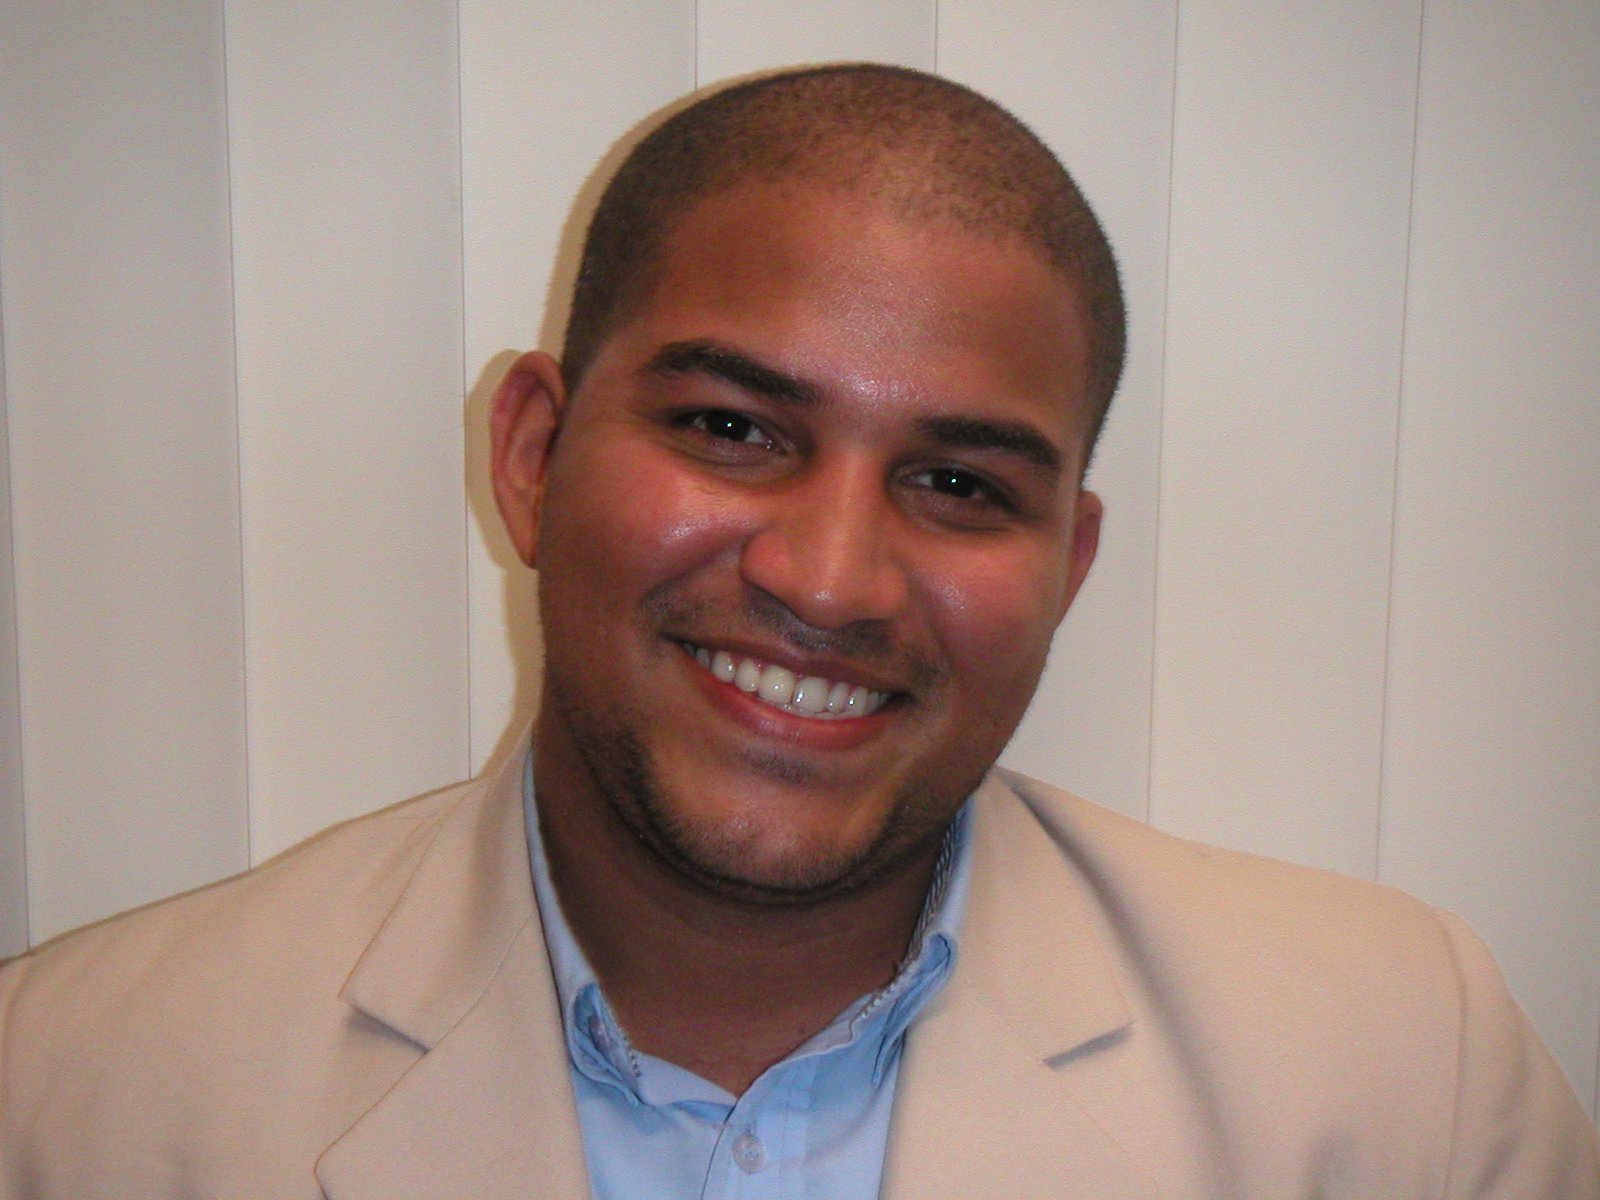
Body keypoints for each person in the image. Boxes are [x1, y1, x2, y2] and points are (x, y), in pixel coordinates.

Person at [1, 64, 1595, 1200]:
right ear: (533, 457)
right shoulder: (68, 1097)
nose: (831, 582)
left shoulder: (1403, 1081)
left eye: (959, 483)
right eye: (733, 428)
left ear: (1067, 564)